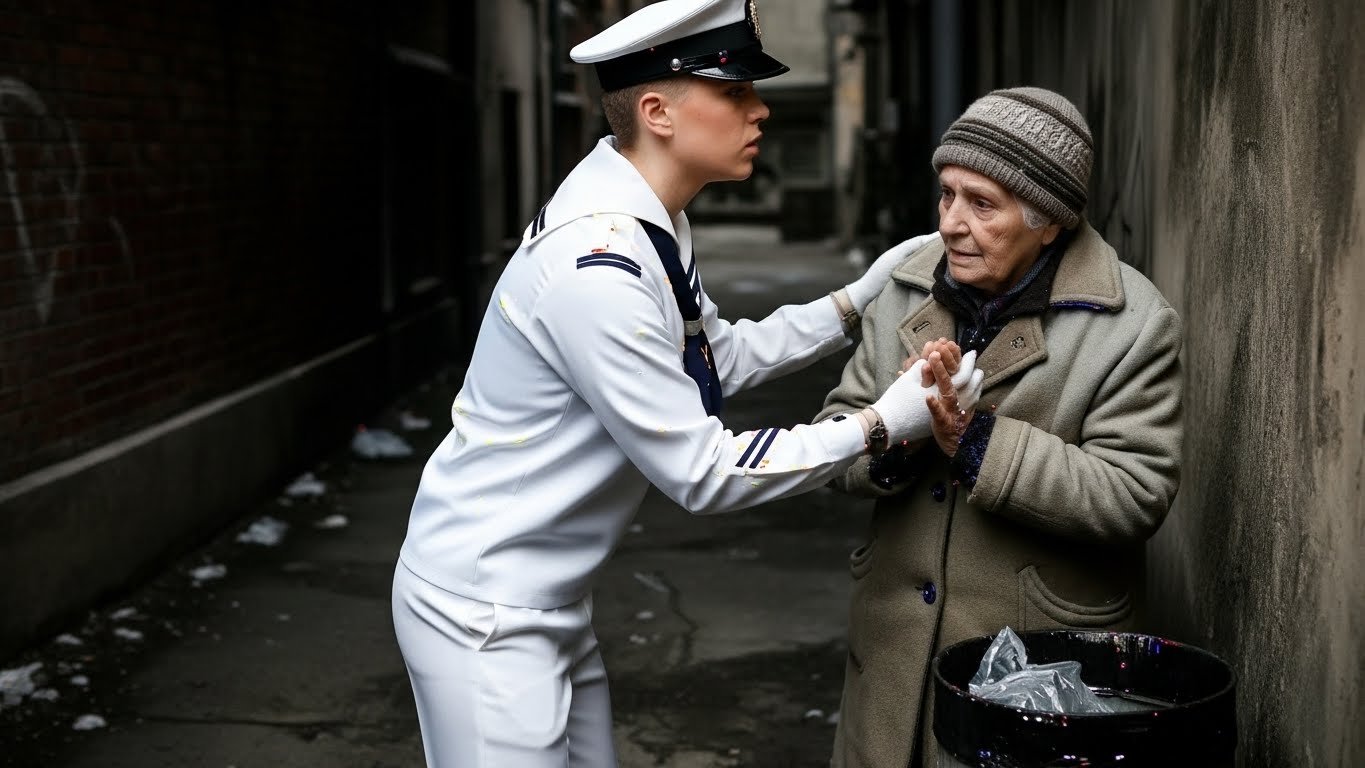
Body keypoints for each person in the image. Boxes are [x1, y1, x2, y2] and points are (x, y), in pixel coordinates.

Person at [388, 2, 984, 766]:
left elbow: (712, 359)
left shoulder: (645, 217)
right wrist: (877, 424)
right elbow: (703, 473)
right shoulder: (598, 264)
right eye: (734, 93)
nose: (759, 109)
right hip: (485, 613)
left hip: (542, 596)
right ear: (656, 111)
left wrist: (850, 305)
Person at [814, 86, 1184, 768]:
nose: (951, 223)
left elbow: (1136, 493)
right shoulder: (905, 284)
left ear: (1049, 221)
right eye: (946, 194)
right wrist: (894, 433)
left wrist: (975, 442)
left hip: (1034, 670)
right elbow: (833, 435)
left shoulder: (1131, 325)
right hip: (890, 653)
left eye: (981, 204)